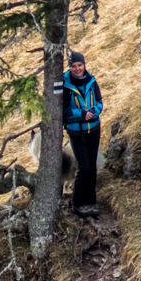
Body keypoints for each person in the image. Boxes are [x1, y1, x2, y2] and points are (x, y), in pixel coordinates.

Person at [62, 51, 102, 218]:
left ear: (84, 65)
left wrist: (94, 111)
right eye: (74, 66)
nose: (77, 69)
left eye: (80, 65)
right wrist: (82, 113)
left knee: (92, 166)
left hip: (93, 128)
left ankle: (90, 202)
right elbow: (64, 110)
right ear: (70, 67)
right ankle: (78, 204)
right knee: (83, 166)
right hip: (76, 131)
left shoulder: (91, 81)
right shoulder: (65, 84)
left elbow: (100, 102)